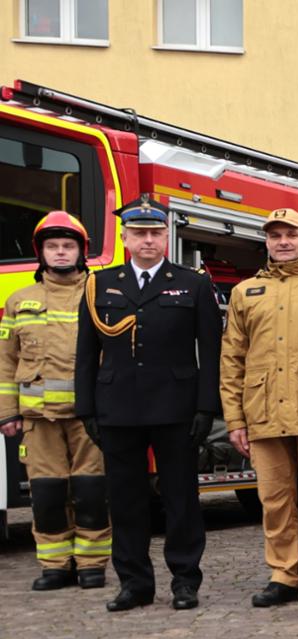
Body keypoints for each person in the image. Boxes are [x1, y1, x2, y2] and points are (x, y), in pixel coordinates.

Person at [75, 195, 220, 612]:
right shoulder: (99, 284)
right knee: (125, 499)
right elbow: (85, 354)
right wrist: (87, 410)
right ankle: (134, 583)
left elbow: (210, 352)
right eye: (139, 233)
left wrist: (206, 408)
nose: (148, 241)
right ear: (125, 237)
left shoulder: (193, 283)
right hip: (117, 407)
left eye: (156, 233)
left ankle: (185, 581)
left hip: (176, 406)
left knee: (181, 499)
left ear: (167, 236)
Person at [222, 208, 298, 609]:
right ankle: (284, 576)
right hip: (263, 412)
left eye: (291, 233)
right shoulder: (245, 292)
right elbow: (232, 359)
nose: (283, 241)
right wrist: (234, 418)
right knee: (274, 500)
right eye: (275, 235)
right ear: (266, 242)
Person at [2, 212, 112, 591]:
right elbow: (5, 361)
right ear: (41, 252)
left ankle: (91, 565)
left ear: (81, 251)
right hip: (38, 418)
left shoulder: (100, 294)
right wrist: (7, 414)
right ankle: (54, 565)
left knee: (91, 493)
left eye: (68, 246)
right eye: (53, 246)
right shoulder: (19, 301)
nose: (61, 252)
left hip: (89, 418)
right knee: (47, 495)